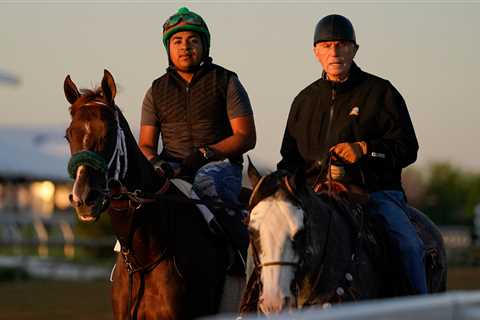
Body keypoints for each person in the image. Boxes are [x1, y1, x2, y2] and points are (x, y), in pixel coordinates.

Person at [277, 14, 427, 294]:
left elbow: (408, 148)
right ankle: (253, 308)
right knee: (266, 242)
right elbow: (289, 160)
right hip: (314, 196)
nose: (334, 52)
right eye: (327, 45)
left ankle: (421, 310)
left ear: (355, 50)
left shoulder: (381, 92)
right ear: (315, 52)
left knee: (409, 244)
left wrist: (366, 149)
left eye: (342, 45)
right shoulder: (303, 101)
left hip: (375, 194)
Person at [139, 7, 256, 267]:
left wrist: (206, 153)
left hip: (220, 166)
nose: (185, 47)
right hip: (172, 169)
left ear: (204, 45)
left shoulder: (226, 81)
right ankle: (127, 267)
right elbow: (146, 145)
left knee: (206, 181)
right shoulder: (155, 90)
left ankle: (244, 261)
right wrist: (156, 163)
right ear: (168, 48)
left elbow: (246, 136)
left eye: (193, 40)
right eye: (177, 41)